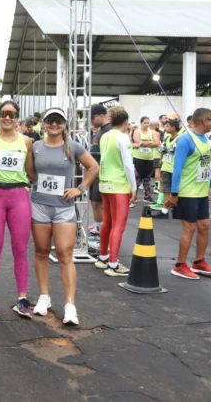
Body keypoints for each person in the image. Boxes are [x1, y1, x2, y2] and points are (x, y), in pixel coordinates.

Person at [31, 107, 98, 325]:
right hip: (39, 205)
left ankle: (70, 305)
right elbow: (29, 173)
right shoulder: (36, 147)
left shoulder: (72, 147)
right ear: (44, 123)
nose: (54, 124)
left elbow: (93, 167)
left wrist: (80, 188)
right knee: (41, 251)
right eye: (50, 120)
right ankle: (44, 297)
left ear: (64, 124)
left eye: (58, 120)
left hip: (64, 208)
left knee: (65, 254)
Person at [0, 101, 35, 317]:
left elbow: (31, 172)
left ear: (17, 118)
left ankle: (22, 299)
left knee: (20, 248)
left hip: (19, 196)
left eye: (11, 114)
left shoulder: (27, 141)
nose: (7, 117)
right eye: (3, 113)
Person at [164, 107, 211, 280]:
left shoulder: (205, 139)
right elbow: (177, 168)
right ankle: (180, 265)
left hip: (201, 192)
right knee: (190, 227)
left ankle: (199, 262)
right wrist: (174, 194)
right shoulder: (185, 140)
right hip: (187, 192)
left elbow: (206, 165)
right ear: (205, 121)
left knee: (204, 226)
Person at [95, 106, 136, 277]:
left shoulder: (105, 136)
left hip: (104, 183)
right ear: (126, 122)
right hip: (119, 185)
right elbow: (128, 164)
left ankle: (103, 256)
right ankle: (113, 263)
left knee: (108, 222)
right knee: (119, 225)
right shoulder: (123, 138)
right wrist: (133, 187)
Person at [88, 104, 112, 236]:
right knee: (94, 201)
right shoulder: (100, 130)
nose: (91, 121)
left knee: (98, 201)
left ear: (102, 116)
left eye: (93, 117)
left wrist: (89, 155)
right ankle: (99, 224)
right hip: (96, 170)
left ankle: (102, 228)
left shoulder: (108, 131)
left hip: (102, 172)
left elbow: (106, 153)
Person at [131, 117, 161, 204]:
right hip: (138, 158)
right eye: (145, 123)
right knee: (136, 178)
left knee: (147, 179)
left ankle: (147, 196)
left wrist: (144, 143)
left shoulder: (152, 132)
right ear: (141, 123)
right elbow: (138, 142)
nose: (147, 124)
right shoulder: (137, 131)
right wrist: (150, 142)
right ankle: (133, 197)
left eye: (148, 123)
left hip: (149, 158)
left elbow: (157, 143)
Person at [155, 119, 181, 210]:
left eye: (167, 126)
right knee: (166, 189)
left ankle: (176, 207)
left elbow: (173, 150)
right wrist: (166, 149)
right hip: (165, 167)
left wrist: (166, 149)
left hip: (174, 168)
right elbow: (161, 149)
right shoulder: (166, 138)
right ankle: (165, 208)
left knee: (176, 189)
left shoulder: (180, 139)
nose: (165, 128)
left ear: (173, 128)